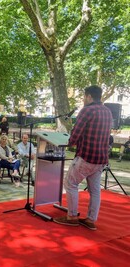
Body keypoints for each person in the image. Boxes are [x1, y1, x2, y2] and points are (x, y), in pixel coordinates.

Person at [53, 85, 112, 231]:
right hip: (101, 158)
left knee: (70, 183)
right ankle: (91, 220)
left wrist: (70, 143)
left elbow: (76, 133)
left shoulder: (87, 110)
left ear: (89, 96)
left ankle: (72, 217)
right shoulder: (107, 111)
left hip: (86, 156)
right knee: (95, 190)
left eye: (84, 97)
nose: (83, 99)